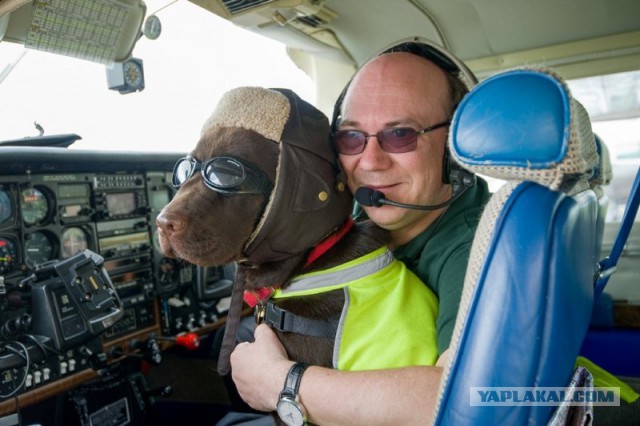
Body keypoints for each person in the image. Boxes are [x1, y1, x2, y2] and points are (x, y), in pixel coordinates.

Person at [227, 39, 491, 425]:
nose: (369, 162)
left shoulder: (479, 247)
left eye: (400, 134)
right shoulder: (356, 208)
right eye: (351, 137)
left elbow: (464, 403)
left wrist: (280, 383)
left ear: (456, 146)